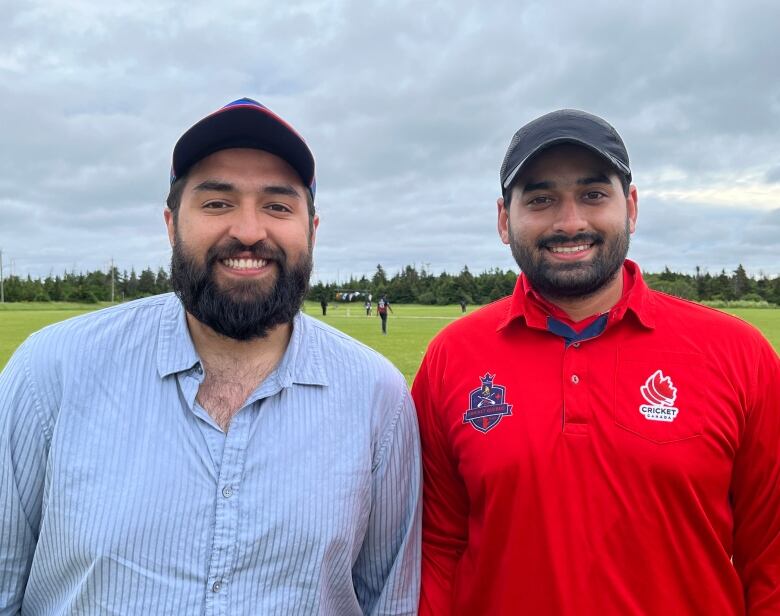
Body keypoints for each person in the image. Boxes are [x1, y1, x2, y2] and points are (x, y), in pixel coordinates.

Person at [0, 98, 421, 615]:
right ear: (171, 223)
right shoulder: (52, 371)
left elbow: (390, 600)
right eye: (217, 203)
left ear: (312, 231)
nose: (248, 230)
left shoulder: (377, 396)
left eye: (278, 205)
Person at [412, 109, 780, 615]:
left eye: (593, 195)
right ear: (504, 219)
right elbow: (438, 547)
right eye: (541, 199)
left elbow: (770, 557)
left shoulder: (738, 353)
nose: (570, 222)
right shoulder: (452, 357)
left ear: (630, 206)